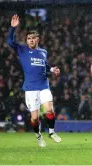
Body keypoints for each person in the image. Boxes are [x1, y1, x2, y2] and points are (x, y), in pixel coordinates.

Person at [7, 15, 61, 147]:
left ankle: (52, 132)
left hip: (43, 85)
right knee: (35, 118)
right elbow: (9, 41)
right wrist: (12, 28)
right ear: (26, 41)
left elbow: (44, 65)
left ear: (38, 39)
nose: (31, 40)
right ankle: (38, 136)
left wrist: (52, 69)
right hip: (30, 88)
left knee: (49, 109)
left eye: (33, 38)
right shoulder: (22, 50)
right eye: (29, 38)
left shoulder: (43, 52)